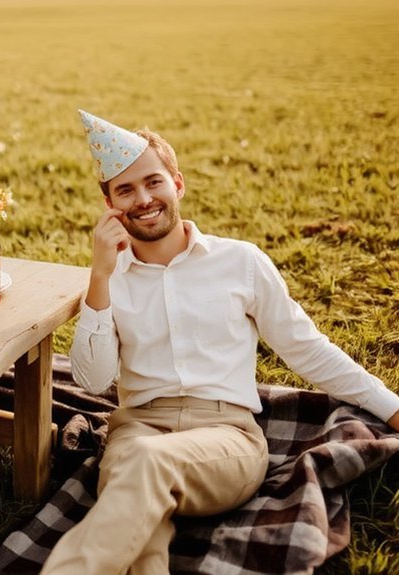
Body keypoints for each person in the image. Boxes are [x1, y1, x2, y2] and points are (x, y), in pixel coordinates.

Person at [42, 111, 399, 574]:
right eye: (125, 190)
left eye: (154, 183)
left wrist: (390, 406)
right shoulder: (111, 277)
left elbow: (304, 346)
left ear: (178, 184)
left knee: (145, 466)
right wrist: (100, 275)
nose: (144, 199)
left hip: (226, 437)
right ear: (108, 201)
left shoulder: (241, 262)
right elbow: (94, 379)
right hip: (136, 430)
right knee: (142, 526)